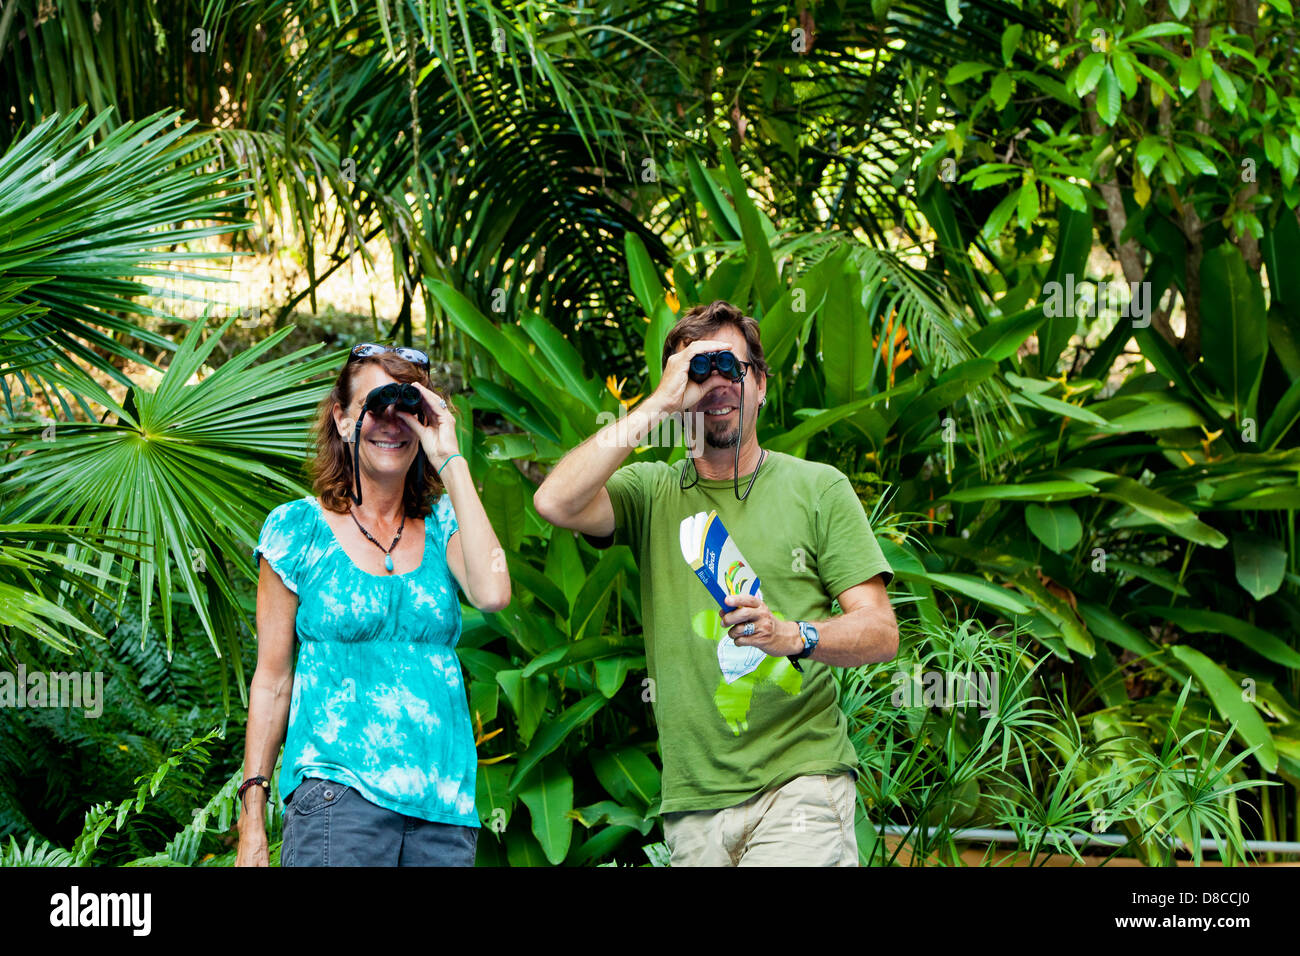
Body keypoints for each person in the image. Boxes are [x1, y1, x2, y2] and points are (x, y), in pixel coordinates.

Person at [533, 300, 897, 866]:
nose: (719, 384)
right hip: (693, 805)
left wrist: (791, 635)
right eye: (700, 372)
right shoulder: (650, 493)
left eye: (733, 367)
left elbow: (880, 632)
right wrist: (659, 402)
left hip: (798, 787)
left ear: (761, 385)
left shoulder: (818, 488)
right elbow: (554, 501)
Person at [235, 343, 509, 867]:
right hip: (337, 798)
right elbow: (272, 679)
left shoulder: (446, 523)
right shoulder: (298, 530)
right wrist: (253, 817)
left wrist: (448, 456)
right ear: (341, 420)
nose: (391, 422)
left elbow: (493, 593)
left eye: (407, 408)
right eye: (374, 407)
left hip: (444, 808)